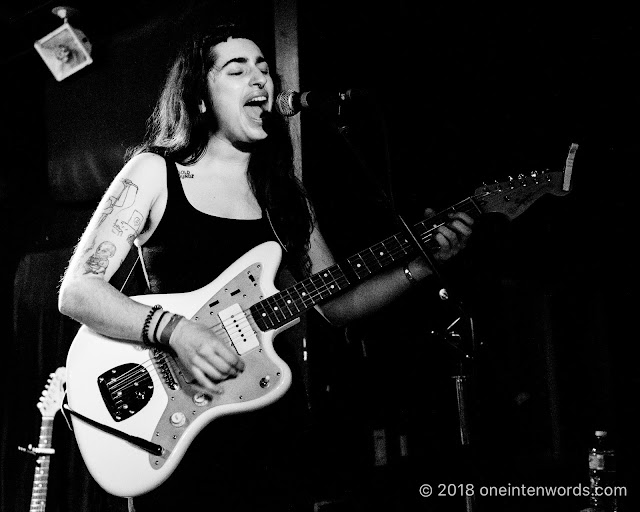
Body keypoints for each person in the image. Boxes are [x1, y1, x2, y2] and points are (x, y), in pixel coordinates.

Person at [58, 22, 474, 511]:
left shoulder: (285, 196)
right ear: (199, 99)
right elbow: (78, 291)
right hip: (175, 429)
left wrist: (420, 269)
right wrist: (177, 331)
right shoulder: (155, 171)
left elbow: (335, 304)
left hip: (270, 433)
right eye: (237, 70)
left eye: (264, 69)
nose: (260, 80)